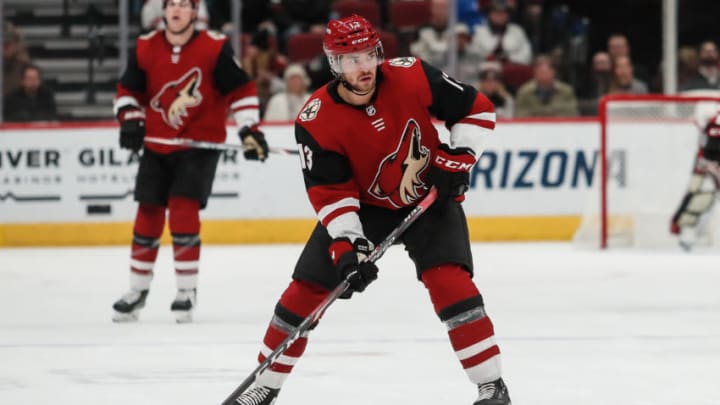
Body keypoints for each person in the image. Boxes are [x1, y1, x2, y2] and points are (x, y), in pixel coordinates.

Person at [230, 15, 510, 405]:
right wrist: (348, 248)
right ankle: (265, 382)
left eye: (368, 55)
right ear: (334, 64)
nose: (363, 67)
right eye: (350, 59)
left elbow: (477, 109)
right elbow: (331, 193)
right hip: (364, 208)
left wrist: (457, 158)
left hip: (428, 195)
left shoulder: (412, 74)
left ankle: (491, 384)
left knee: (451, 283)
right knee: (306, 291)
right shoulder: (315, 119)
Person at [111, 0, 268, 323]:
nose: (177, 10)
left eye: (185, 4)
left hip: (199, 146)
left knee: (182, 210)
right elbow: (128, 89)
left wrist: (249, 129)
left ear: (195, 12)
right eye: (172, 4)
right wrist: (129, 118)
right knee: (148, 214)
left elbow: (242, 90)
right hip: (157, 144)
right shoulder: (145, 47)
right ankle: (138, 290)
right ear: (164, 11)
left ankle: (186, 291)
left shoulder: (214, 48)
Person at [670, 101, 720, 250]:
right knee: (701, 198)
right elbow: (711, 147)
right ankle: (688, 235)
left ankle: (691, 235)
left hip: (709, 163)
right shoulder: (713, 116)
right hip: (708, 164)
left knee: (705, 199)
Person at [141, 0, 209, 31]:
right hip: (166, 25)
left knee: (201, 26)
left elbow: (204, 18)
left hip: (190, 25)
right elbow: (147, 23)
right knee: (162, 26)